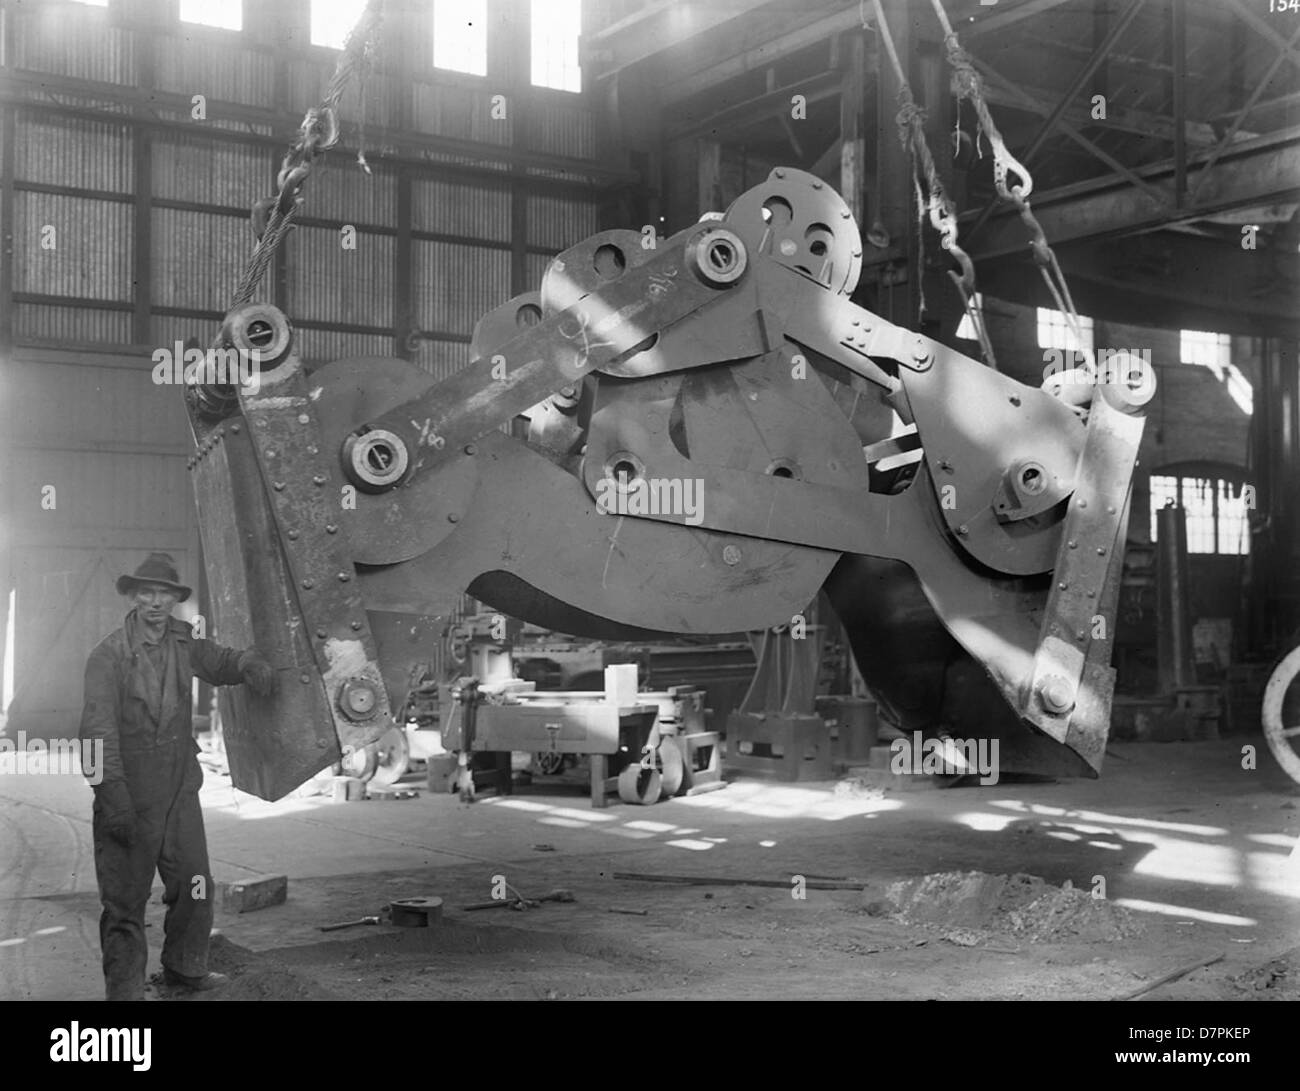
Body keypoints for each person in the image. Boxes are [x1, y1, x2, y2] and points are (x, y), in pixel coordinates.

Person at [78, 552, 275, 1001]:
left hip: (179, 787)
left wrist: (248, 664)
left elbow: (220, 661)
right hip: (128, 790)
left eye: (163, 594)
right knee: (125, 901)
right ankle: (125, 992)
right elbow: (93, 737)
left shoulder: (184, 641)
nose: (155, 602)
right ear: (132, 596)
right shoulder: (107, 656)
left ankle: (185, 969)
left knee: (195, 884)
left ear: (173, 599)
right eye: (146, 592)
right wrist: (112, 798)